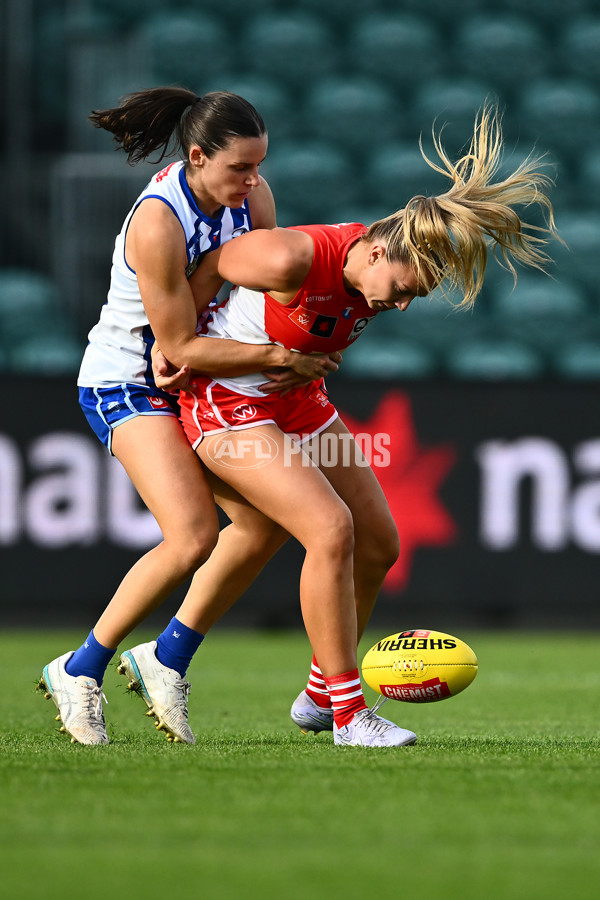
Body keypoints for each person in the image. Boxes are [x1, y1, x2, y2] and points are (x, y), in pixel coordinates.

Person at [141, 102, 556, 748]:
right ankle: (347, 714)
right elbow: (217, 263)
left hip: (297, 397)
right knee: (329, 528)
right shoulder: (292, 259)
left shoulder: (374, 279)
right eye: (405, 288)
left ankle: (316, 695)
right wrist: (178, 345)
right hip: (227, 396)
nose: (402, 304)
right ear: (379, 249)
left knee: (379, 543)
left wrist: (296, 362)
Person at [38, 87, 340, 746]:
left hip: (195, 375)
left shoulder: (252, 199)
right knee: (193, 535)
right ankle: (80, 669)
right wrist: (275, 357)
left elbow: (259, 294)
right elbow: (173, 345)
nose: (253, 181)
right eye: (240, 167)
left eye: (259, 166)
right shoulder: (159, 222)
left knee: (262, 526)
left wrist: (284, 345)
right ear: (198, 156)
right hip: (126, 382)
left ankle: (166, 657)